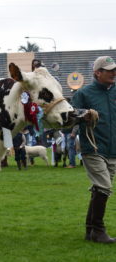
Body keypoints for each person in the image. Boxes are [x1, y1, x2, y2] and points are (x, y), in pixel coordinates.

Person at [72, 56, 116, 243]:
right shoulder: (83, 93)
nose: (114, 73)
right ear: (97, 72)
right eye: (109, 70)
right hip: (93, 148)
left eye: (114, 69)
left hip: (113, 149)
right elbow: (69, 116)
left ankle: (90, 230)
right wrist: (83, 115)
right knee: (105, 186)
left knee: (100, 189)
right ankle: (98, 230)